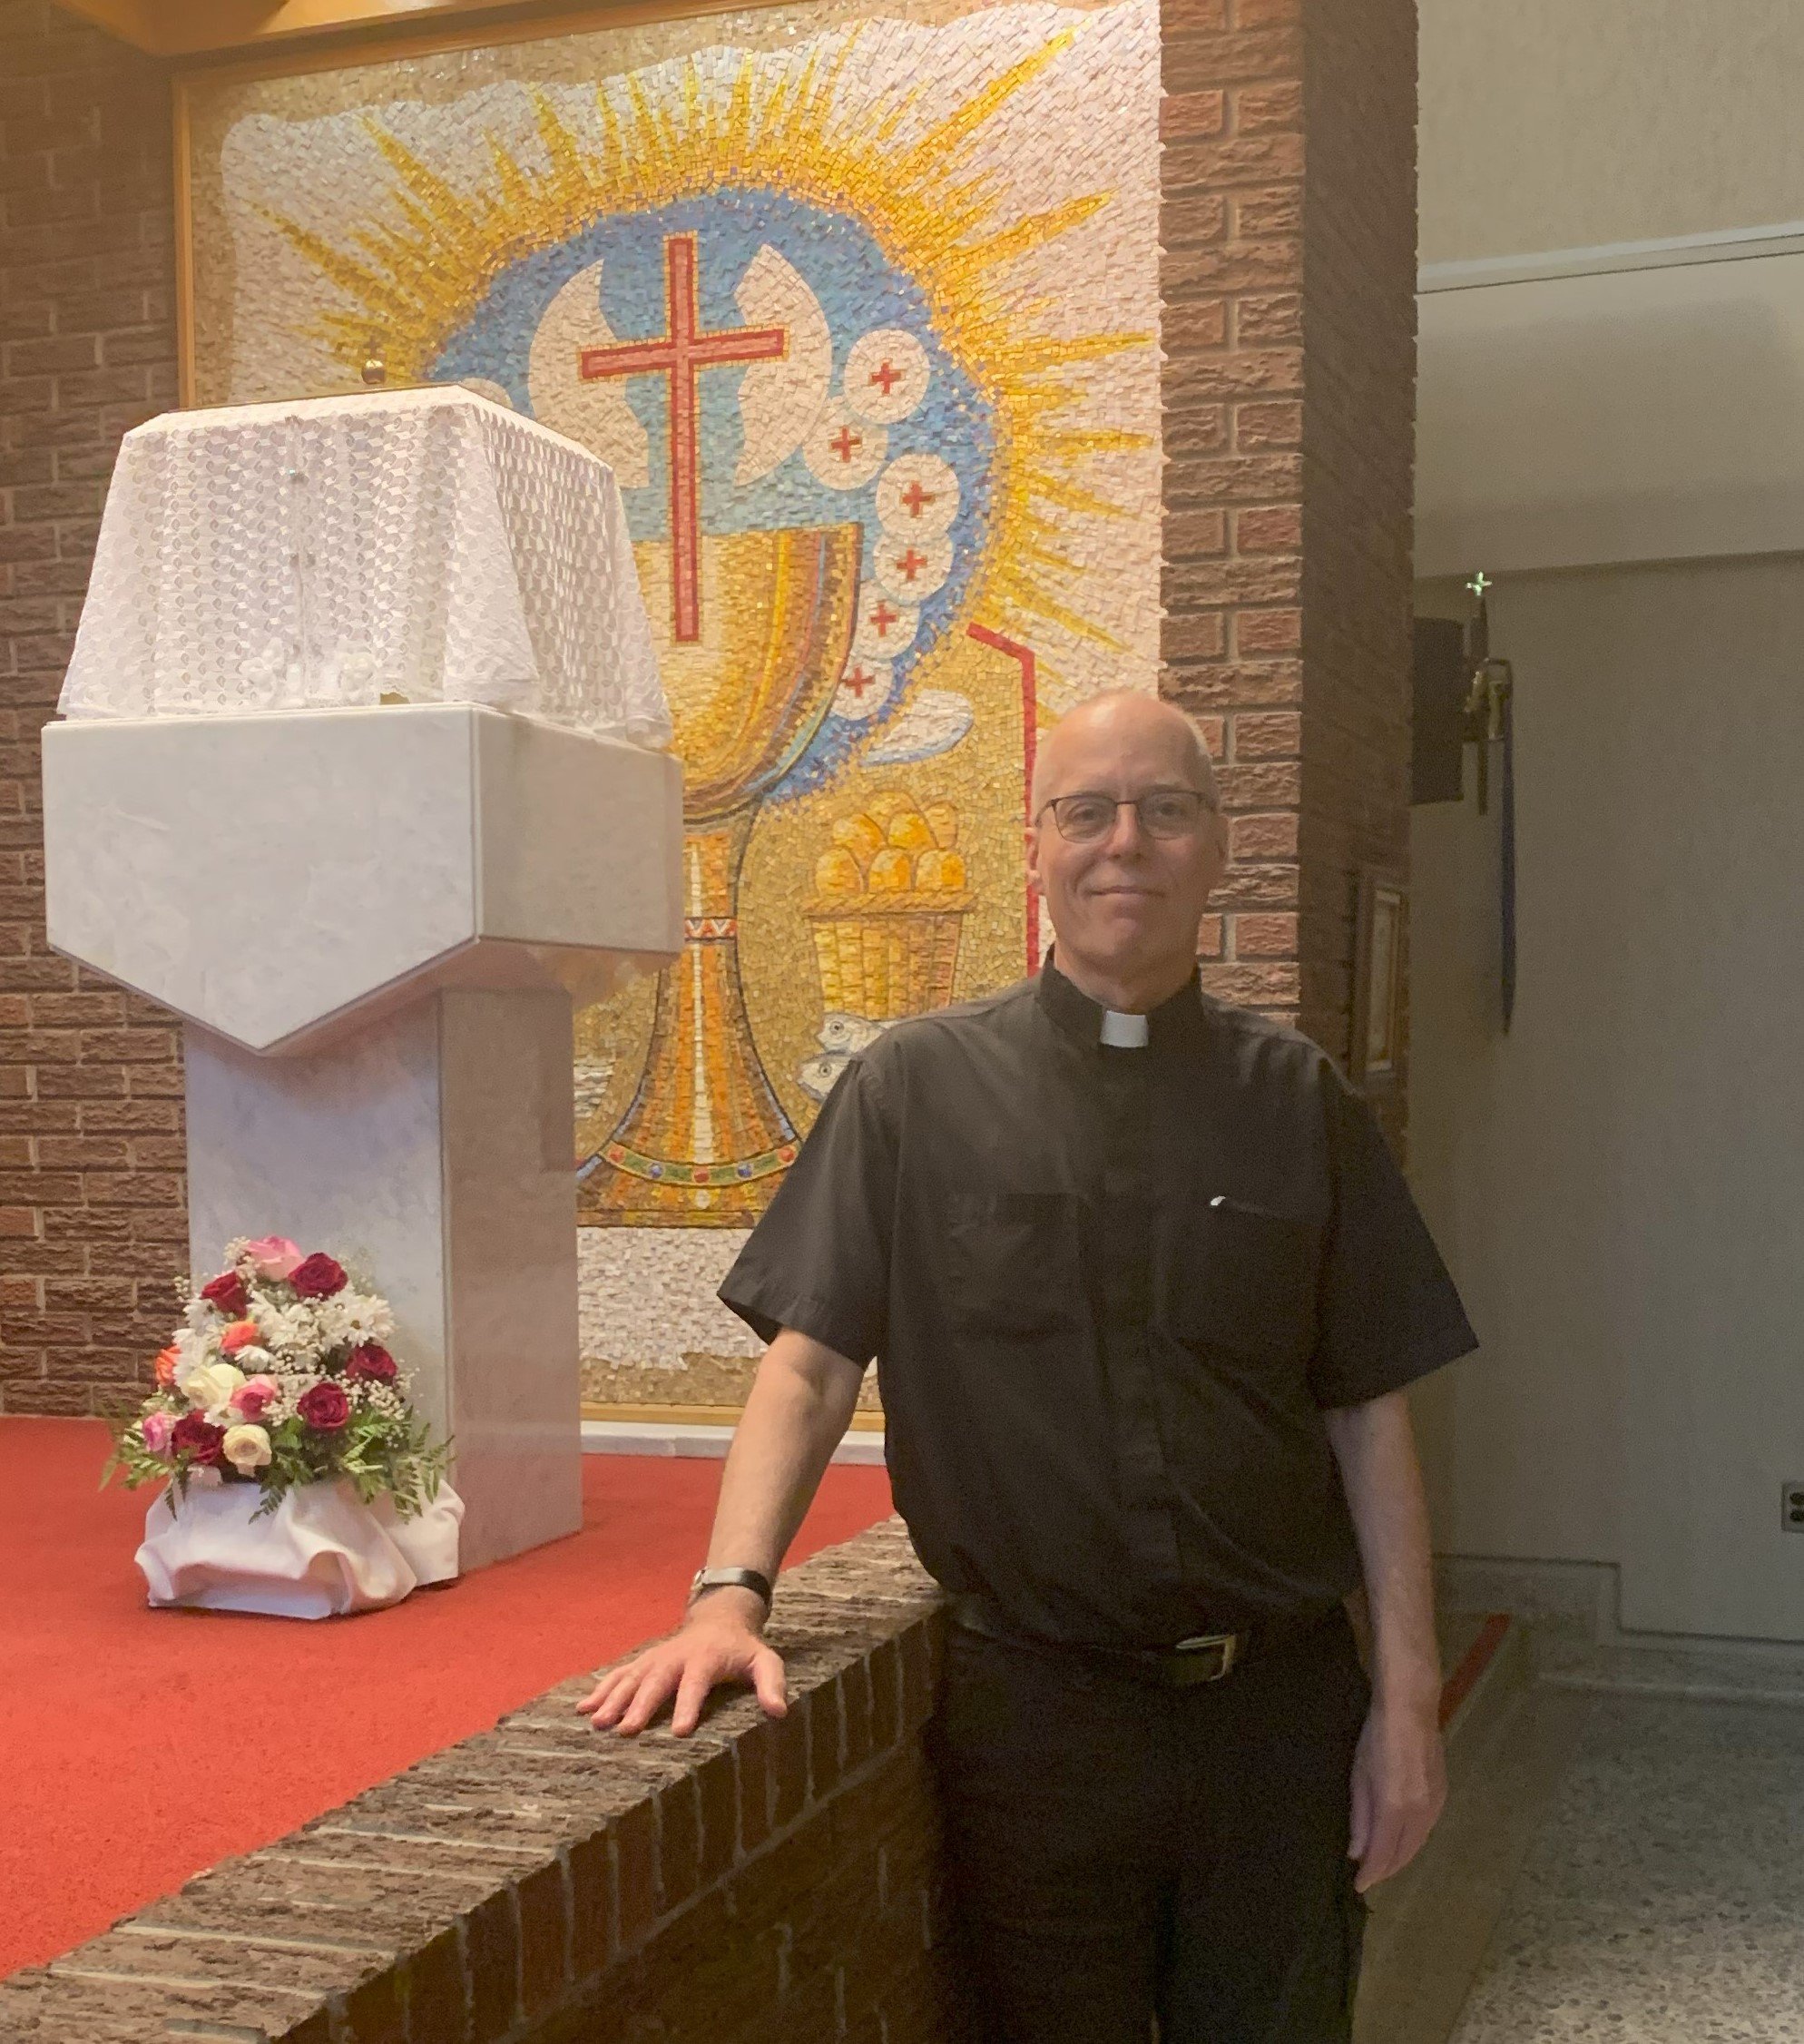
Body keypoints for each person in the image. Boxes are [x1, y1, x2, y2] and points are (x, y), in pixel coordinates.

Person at [579, 690, 1478, 2042]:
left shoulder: (1301, 1104)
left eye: (1166, 810)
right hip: (1038, 1723)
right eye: (1088, 812)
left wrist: (1409, 1703)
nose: (1127, 842)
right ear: (1038, 846)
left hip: (1279, 1716)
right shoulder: (912, 1091)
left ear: (1216, 846)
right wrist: (727, 1601)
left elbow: (1368, 1414)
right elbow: (812, 1367)